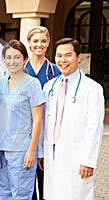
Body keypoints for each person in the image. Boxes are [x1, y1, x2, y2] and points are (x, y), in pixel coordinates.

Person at [43, 38, 104, 200]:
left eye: (68, 55)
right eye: (59, 56)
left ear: (78, 57)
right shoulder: (49, 87)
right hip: (53, 154)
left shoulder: (92, 88)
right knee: (53, 194)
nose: (63, 60)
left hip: (77, 157)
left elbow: (94, 127)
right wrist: (42, 153)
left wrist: (89, 160)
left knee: (75, 195)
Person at [0, 40, 45, 199]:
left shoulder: (33, 84)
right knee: (2, 194)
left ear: (25, 59)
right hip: (0, 150)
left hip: (22, 150)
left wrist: (32, 150)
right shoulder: (0, 83)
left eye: (17, 57)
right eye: (8, 57)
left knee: (21, 195)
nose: (12, 61)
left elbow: (37, 119)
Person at [25, 26, 61, 200]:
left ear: (48, 43)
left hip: (47, 131)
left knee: (46, 182)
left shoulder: (55, 71)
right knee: (27, 184)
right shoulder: (20, 70)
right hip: (25, 133)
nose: (39, 45)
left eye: (43, 41)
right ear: (29, 43)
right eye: (35, 41)